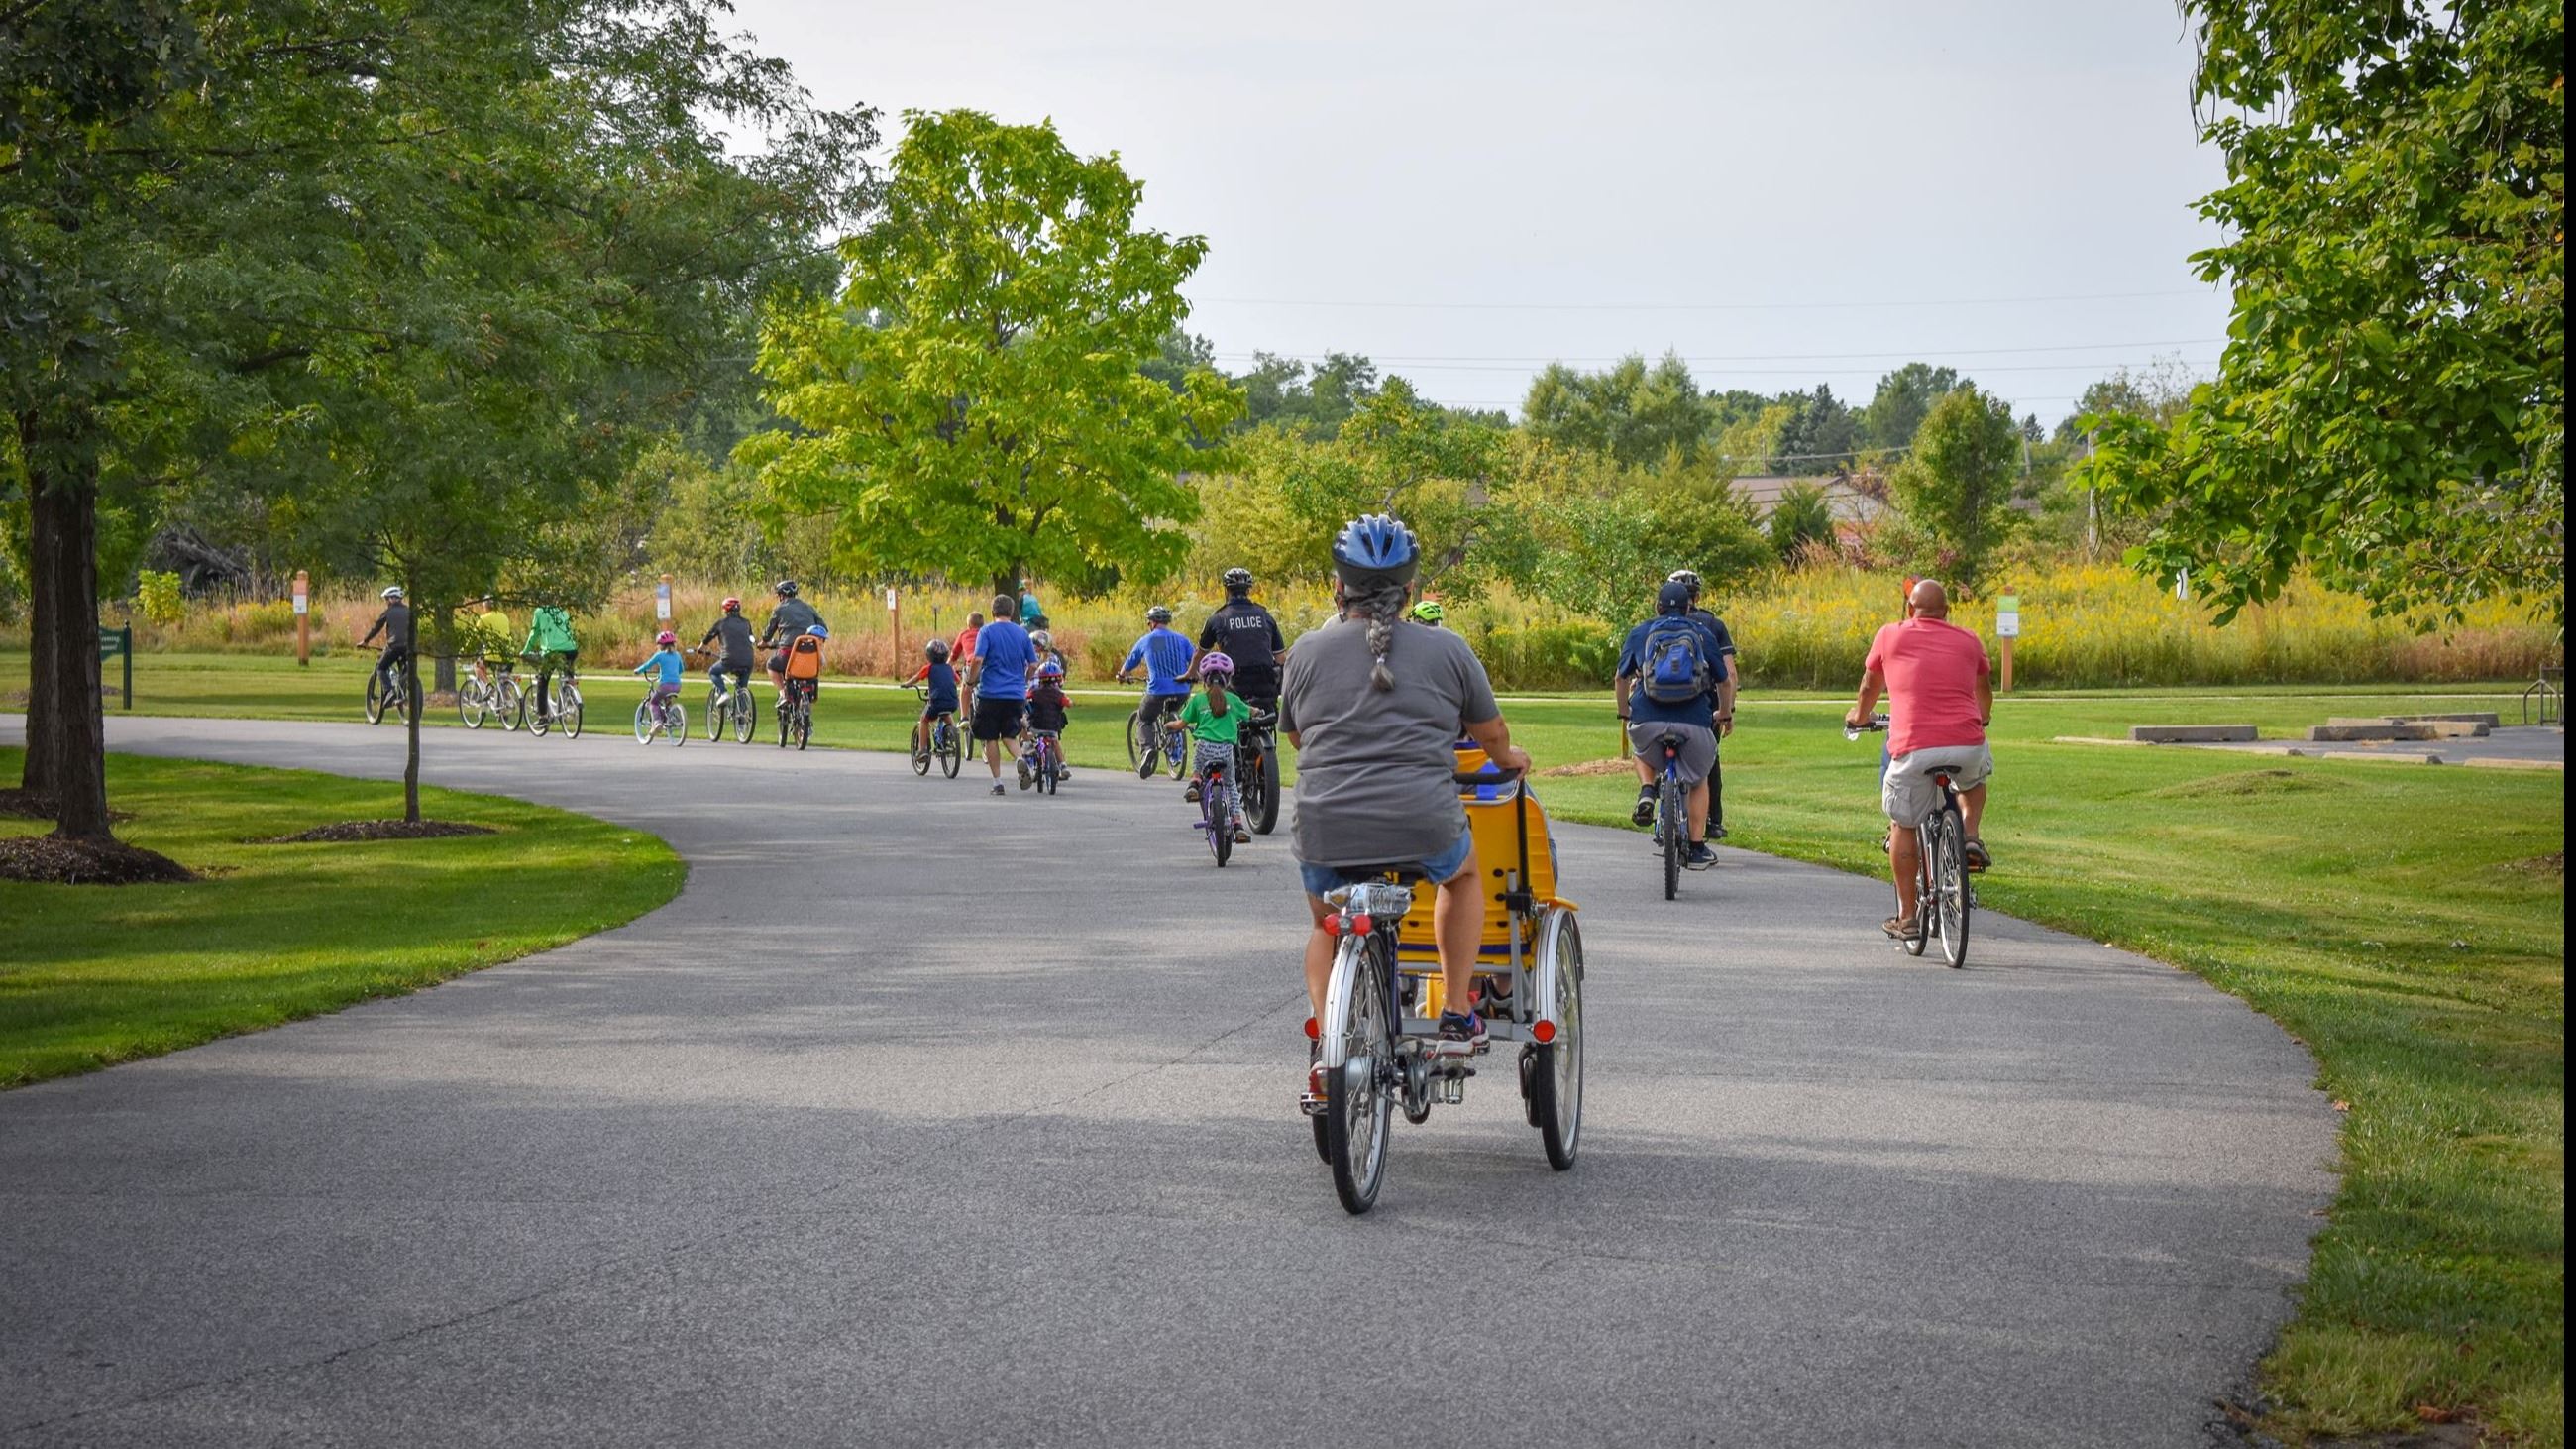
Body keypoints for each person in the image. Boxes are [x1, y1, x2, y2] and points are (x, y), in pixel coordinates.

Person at [1282, 513, 1531, 1080]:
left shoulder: (1305, 652)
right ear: (1410, 590)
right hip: (1422, 820)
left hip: (1327, 825)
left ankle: (1326, 1045)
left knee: (1327, 926)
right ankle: (1455, 1011)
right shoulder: (1448, 650)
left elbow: (1297, 736)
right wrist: (1508, 760)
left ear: (1338, 588)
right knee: (1462, 877)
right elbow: (1491, 737)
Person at [1844, 578, 1995, 939]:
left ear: (1911, 609)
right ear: (1946, 613)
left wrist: (1860, 716)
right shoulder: (1968, 639)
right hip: (1966, 742)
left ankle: (1908, 916)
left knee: (1904, 823)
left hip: (1914, 746)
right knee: (1974, 783)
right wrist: (1983, 716)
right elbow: (1984, 690)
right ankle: (1970, 835)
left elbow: (1869, 686)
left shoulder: (1890, 634)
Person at [1615, 579, 1728, 870]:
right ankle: (1698, 847)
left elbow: (1621, 678)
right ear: (1690, 607)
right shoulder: (1702, 634)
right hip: (1694, 722)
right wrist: (1724, 713)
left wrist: (1625, 711)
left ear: (1658, 606)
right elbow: (1724, 680)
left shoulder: (1641, 632)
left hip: (1648, 721)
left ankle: (1647, 791)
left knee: (1641, 753)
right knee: (1700, 776)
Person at [1665, 568, 1741, 838]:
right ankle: (1713, 821)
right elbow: (1729, 673)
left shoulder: (1657, 624)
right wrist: (1727, 711)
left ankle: (1658, 800)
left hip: (1662, 705)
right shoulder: (1713, 625)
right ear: (1697, 596)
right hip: (1706, 707)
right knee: (1708, 762)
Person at [1166, 651, 1253, 841]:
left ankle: (1195, 783)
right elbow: (1250, 712)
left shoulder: (1197, 700)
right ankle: (1238, 824)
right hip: (1225, 751)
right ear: (1228, 678)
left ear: (1204, 679)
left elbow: (1180, 724)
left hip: (1204, 749)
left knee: (1197, 764)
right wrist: (1258, 711)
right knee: (1230, 785)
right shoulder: (1233, 700)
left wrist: (1169, 725)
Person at [962, 592, 1037, 797]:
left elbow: (977, 660)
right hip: (1015, 694)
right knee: (1009, 734)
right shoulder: (1022, 634)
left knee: (990, 737)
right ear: (1012, 612)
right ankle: (1020, 758)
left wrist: (971, 680)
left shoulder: (986, 632)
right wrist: (1025, 680)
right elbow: (1033, 664)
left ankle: (997, 783)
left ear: (993, 611)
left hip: (991, 692)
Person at [1118, 605, 1196, 776]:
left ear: (1152, 623)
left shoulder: (1148, 640)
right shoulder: (1181, 639)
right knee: (1173, 712)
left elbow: (1132, 660)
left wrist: (1122, 675)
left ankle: (1148, 749)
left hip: (1157, 691)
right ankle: (1175, 755)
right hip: (1182, 689)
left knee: (1144, 718)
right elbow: (1195, 658)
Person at [1199, 568, 1287, 713]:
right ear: (1248, 591)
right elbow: (1281, 658)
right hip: (1265, 683)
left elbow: (1200, 653)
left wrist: (1190, 673)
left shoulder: (1218, 618)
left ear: (1226, 590)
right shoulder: (1265, 616)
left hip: (1235, 683)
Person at [759, 580, 822, 700]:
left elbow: (768, 634)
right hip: (810, 654)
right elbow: (823, 627)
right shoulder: (809, 608)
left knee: (771, 665)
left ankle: (783, 693)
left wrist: (763, 643)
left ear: (781, 595)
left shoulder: (779, 609)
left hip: (787, 653)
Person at [521, 602, 579, 724]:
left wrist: (525, 651)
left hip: (552, 651)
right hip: (571, 649)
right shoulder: (562, 611)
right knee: (568, 676)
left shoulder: (539, 611)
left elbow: (534, 634)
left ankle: (543, 716)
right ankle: (572, 697)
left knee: (542, 681)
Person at [1020, 658, 1072, 789]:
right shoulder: (1059, 695)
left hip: (1036, 725)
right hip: (1053, 727)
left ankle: (1027, 744)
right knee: (1055, 743)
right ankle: (1063, 766)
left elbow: (1026, 698)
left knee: (1023, 723)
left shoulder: (1034, 692)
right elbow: (1068, 703)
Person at [698, 596, 756, 712]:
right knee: (742, 688)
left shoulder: (721, 623)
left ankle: (723, 693)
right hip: (748, 660)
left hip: (729, 660)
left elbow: (709, 637)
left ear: (725, 610)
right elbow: (751, 638)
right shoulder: (746, 623)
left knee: (713, 672)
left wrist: (700, 648)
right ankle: (742, 719)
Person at [905, 639, 960, 760]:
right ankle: (954, 734)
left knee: (924, 720)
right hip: (952, 702)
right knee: (946, 715)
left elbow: (917, 677)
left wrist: (907, 684)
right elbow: (958, 680)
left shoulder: (929, 668)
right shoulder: (950, 669)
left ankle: (923, 750)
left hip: (937, 702)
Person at [631, 630, 687, 733]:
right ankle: (669, 717)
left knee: (653, 702)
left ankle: (657, 722)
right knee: (666, 702)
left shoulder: (659, 655)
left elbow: (648, 665)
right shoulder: (677, 655)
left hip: (665, 686)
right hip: (677, 686)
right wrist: (672, 674)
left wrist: (638, 670)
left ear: (661, 645)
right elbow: (681, 669)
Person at [363, 586, 412, 698]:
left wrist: (366, 641)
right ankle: (403, 694)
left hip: (394, 646)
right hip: (409, 646)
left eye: (387, 599)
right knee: (405, 670)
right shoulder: (409, 611)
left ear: (393, 598)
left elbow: (377, 627)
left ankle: (389, 691)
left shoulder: (389, 612)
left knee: (381, 667)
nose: (386, 602)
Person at [950, 611, 985, 676]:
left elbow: (954, 655)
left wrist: (946, 666)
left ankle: (964, 685)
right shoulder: (986, 634)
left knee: (965, 682)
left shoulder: (963, 635)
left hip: (971, 667)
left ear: (969, 625)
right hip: (985, 667)